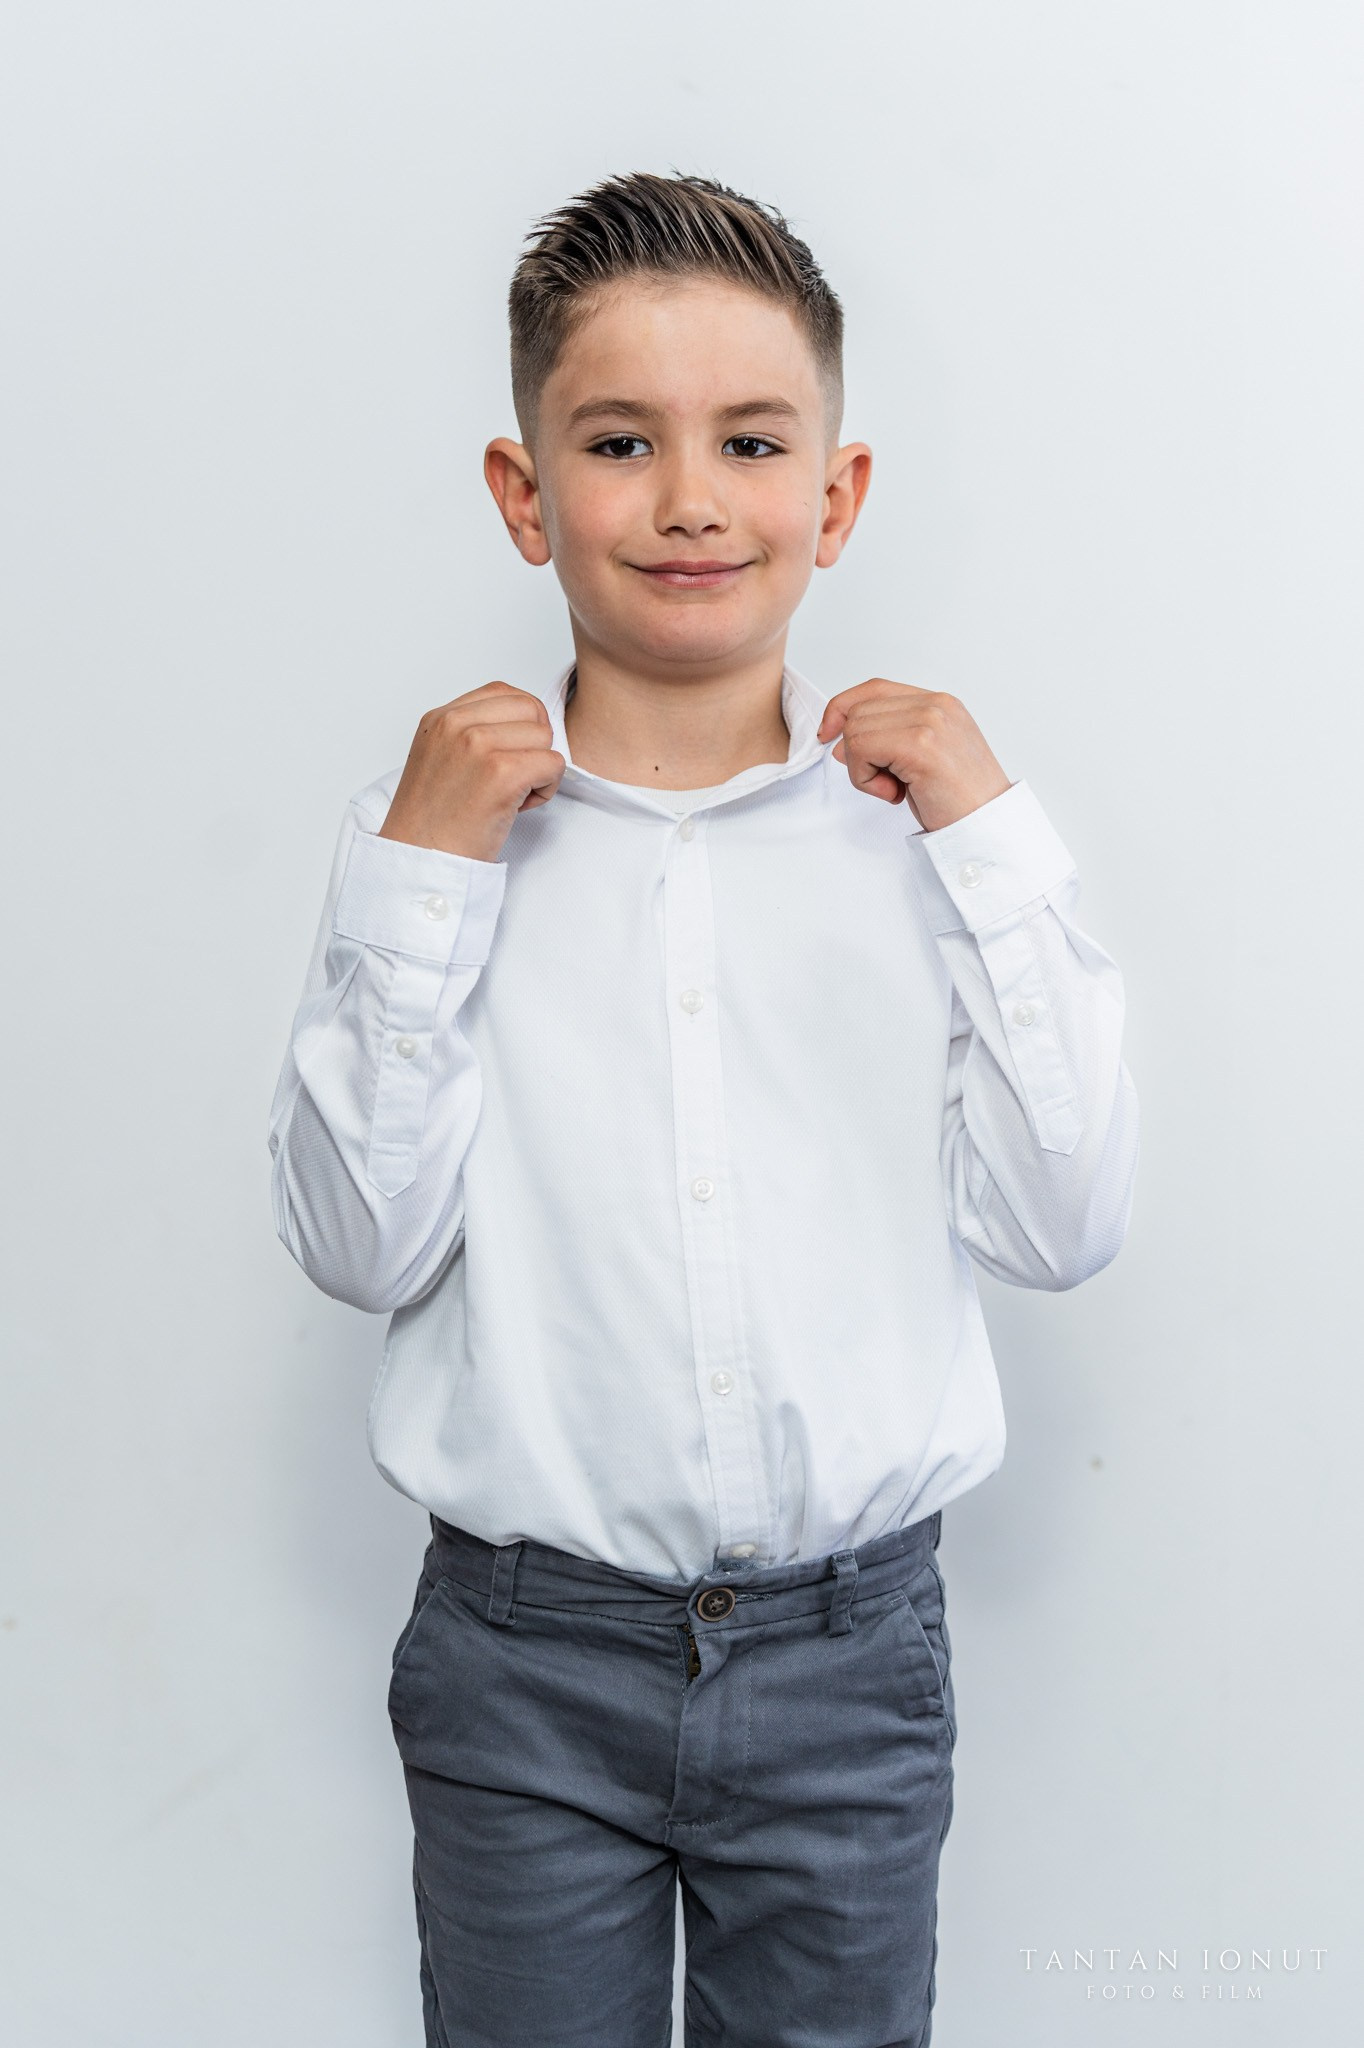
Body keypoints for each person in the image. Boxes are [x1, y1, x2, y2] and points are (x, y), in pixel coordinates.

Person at [267, 169, 1140, 2048]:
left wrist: (991, 834)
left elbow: (1064, 1228)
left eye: (750, 441)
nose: (687, 499)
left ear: (834, 496)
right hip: (523, 1665)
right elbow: (358, 1248)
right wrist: (423, 881)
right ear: (524, 495)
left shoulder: (926, 852)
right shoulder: (430, 846)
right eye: (616, 440)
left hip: (851, 1662)